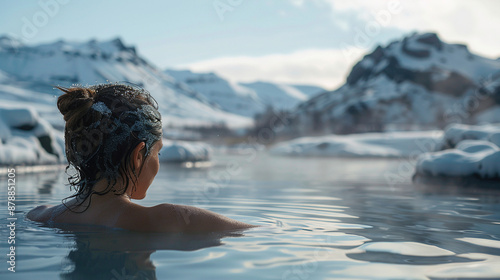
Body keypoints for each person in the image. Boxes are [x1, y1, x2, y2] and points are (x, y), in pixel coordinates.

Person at [27, 83, 254, 232]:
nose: (158, 163)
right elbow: (255, 232)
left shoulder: (39, 215)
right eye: (157, 152)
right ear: (138, 156)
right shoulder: (165, 220)